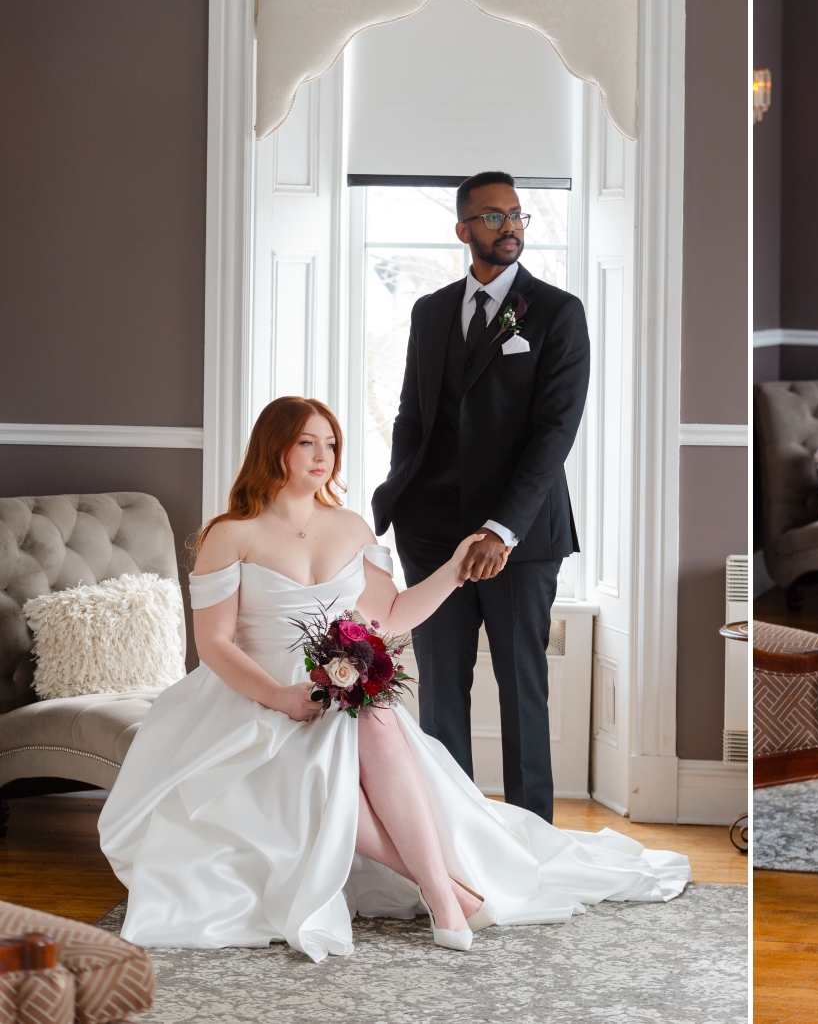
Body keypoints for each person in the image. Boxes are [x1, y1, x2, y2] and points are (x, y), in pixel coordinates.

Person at [98, 398, 687, 960]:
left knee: (376, 718)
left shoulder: (351, 527)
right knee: (316, 770)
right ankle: (450, 891)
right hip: (252, 695)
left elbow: (394, 614)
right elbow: (214, 644)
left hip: (336, 686)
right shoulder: (231, 533)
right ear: (273, 448)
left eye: (330, 443)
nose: (323, 454)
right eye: (307, 442)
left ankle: (440, 896)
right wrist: (280, 696)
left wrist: (457, 570)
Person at [372, 170, 589, 823]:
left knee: (523, 690)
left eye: (518, 214)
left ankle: (533, 843)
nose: (511, 227)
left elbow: (555, 433)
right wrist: (403, 504)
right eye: (492, 217)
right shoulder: (431, 312)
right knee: (439, 696)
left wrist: (502, 530)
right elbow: (413, 415)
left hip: (519, 541)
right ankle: (451, 834)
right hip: (432, 535)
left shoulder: (557, 312)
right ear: (462, 229)